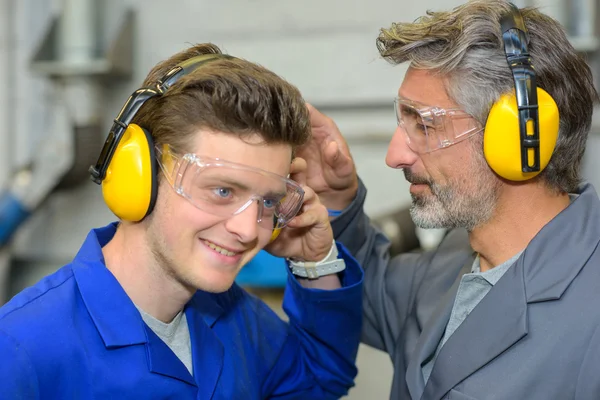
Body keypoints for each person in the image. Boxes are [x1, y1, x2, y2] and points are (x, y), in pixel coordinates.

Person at [0, 43, 363, 399]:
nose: (248, 229)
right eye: (222, 191)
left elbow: (319, 379)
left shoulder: (233, 319)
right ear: (141, 176)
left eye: (268, 201)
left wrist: (315, 262)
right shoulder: (21, 349)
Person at [296, 1, 600, 399]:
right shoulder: (454, 257)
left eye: (423, 123)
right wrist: (335, 198)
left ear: (520, 139)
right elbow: (362, 292)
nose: (395, 156)